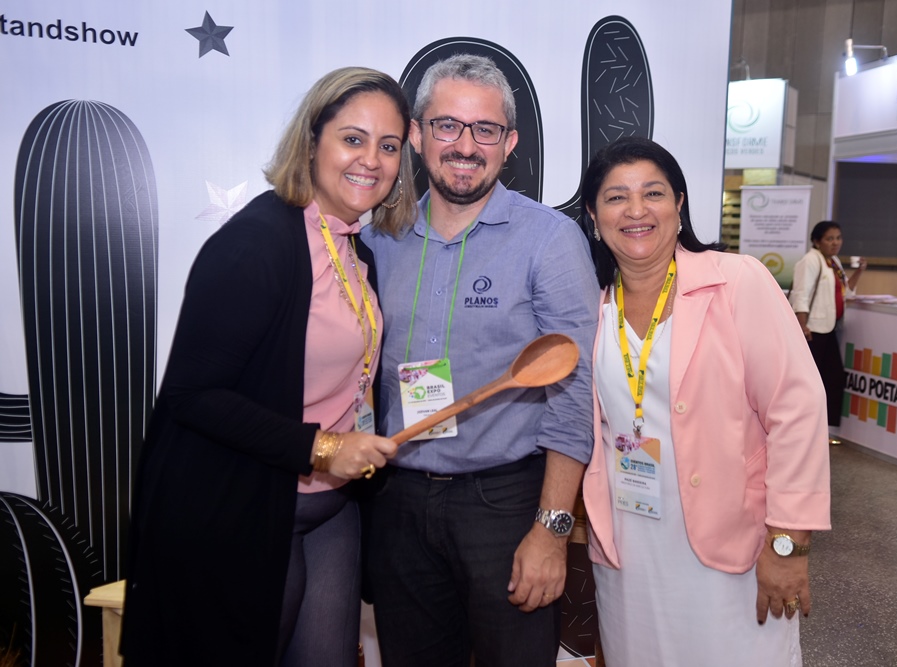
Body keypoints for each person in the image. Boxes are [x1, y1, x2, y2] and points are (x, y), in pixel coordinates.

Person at [121, 67, 416, 667]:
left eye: (388, 146)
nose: (372, 160)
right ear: (311, 142)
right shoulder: (257, 243)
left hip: (331, 512)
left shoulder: (353, 246)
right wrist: (323, 448)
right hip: (245, 510)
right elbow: (192, 394)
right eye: (353, 139)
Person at [361, 53, 600, 666]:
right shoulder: (377, 238)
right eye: (447, 125)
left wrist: (552, 529)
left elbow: (574, 394)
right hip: (399, 502)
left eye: (485, 130)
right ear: (417, 135)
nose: (465, 146)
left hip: (505, 506)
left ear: (509, 143)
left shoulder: (549, 240)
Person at [580, 137, 831, 665]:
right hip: (630, 546)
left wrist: (788, 543)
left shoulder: (736, 282)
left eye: (653, 193)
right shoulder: (592, 305)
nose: (636, 210)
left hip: (732, 546)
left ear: (679, 204)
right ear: (594, 216)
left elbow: (798, 409)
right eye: (616, 197)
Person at [790, 221, 866, 436]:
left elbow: (847, 291)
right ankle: (803, 427)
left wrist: (859, 271)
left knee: (833, 377)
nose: (835, 243)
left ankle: (827, 429)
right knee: (810, 381)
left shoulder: (833, 262)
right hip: (812, 330)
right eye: (829, 239)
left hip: (828, 327)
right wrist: (802, 324)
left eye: (838, 238)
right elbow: (801, 294)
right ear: (817, 241)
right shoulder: (810, 260)